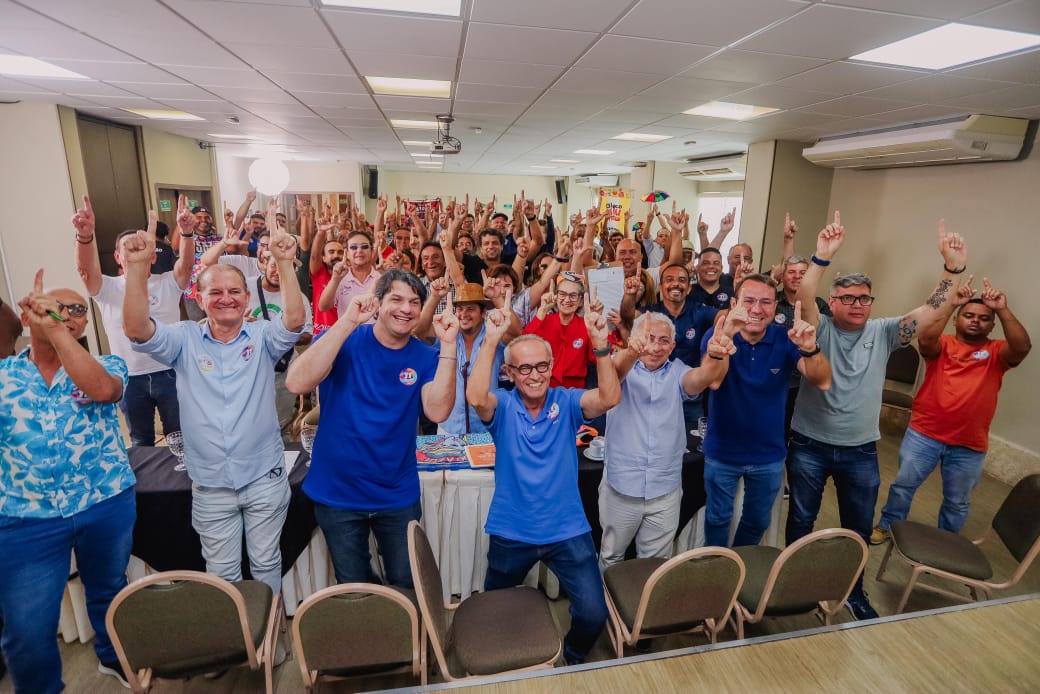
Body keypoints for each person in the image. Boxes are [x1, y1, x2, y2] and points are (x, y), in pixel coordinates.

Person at [786, 214, 969, 621]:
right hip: (809, 445)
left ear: (872, 302)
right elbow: (805, 291)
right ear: (832, 303)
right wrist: (821, 256)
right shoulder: (820, 328)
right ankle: (792, 587)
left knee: (857, 528)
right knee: (800, 519)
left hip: (860, 451)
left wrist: (952, 268)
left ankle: (854, 591)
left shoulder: (886, 331)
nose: (856, 304)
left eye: (864, 298)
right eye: (847, 298)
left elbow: (931, 309)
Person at [123, 206, 306, 594]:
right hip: (210, 485)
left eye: (234, 292)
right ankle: (240, 648)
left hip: (264, 478)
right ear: (200, 299)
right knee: (222, 575)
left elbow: (292, 321)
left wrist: (285, 262)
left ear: (245, 298)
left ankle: (272, 641)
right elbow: (137, 329)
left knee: (266, 562)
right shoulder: (183, 338)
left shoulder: (261, 338)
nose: (226, 299)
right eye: (216, 292)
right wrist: (138, 270)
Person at [466, 294, 621, 665]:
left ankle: (570, 655)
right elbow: (475, 396)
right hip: (511, 530)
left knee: (592, 613)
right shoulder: (503, 406)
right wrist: (491, 339)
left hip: (567, 529)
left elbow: (609, 397)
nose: (534, 375)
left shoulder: (565, 400)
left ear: (551, 367)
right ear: (510, 373)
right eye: (524, 369)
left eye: (541, 367)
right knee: (494, 609)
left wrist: (600, 347)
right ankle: (504, 661)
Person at [0, 269, 136, 692]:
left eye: (79, 311)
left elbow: (104, 391)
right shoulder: (4, 376)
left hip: (105, 502)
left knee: (109, 590)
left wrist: (57, 332)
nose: (71, 316)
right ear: (28, 317)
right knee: (26, 626)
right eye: (60, 308)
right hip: (27, 518)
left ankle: (114, 660)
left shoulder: (106, 364)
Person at [286, 270, 458, 586]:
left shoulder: (426, 356)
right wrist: (348, 322)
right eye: (396, 299)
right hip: (337, 492)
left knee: (407, 582)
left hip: (396, 493)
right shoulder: (346, 338)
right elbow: (296, 381)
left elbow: (437, 410)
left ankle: (406, 634)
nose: (405, 309)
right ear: (377, 303)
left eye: (414, 302)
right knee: (354, 587)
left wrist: (449, 346)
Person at [873, 277, 1031, 541]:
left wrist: (1002, 308)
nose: (975, 321)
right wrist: (951, 304)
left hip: (969, 443)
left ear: (992, 325)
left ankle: (947, 542)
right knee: (903, 486)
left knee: (957, 501)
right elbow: (926, 338)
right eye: (968, 315)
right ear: (957, 320)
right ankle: (888, 525)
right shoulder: (944, 344)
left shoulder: (996, 352)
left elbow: (1022, 347)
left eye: (983, 318)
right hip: (925, 434)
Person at [701, 275, 831, 549]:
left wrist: (810, 348)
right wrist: (726, 336)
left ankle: (740, 567)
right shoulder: (716, 336)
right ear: (734, 303)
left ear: (775, 307)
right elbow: (713, 380)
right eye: (749, 301)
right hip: (722, 452)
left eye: (766, 302)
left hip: (768, 455)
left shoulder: (785, 339)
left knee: (758, 521)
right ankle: (714, 571)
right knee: (717, 518)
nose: (757, 309)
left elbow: (823, 380)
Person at [599, 311, 736, 569]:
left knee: (654, 564)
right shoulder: (620, 365)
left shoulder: (677, 372)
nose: (655, 346)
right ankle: (609, 607)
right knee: (611, 556)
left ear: (672, 347)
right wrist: (631, 350)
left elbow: (701, 379)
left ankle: (642, 608)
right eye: (648, 338)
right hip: (621, 488)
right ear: (635, 339)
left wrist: (716, 354)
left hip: (665, 491)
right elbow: (615, 372)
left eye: (664, 341)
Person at [75, 194, 193, 447]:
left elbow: (186, 266)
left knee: (180, 437)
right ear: (118, 257)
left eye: (139, 246)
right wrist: (85, 236)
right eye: (127, 248)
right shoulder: (108, 288)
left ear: (151, 255)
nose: (133, 251)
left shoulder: (167, 283)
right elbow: (86, 270)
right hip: (129, 376)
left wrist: (186, 233)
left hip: (170, 372)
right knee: (140, 440)